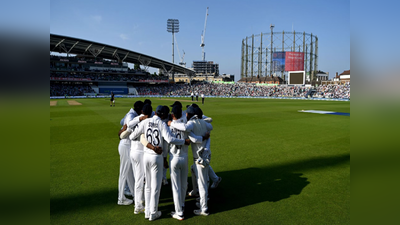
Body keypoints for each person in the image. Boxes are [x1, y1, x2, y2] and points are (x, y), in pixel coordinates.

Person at [129, 105, 190, 221]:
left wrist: (147, 143)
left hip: (146, 155)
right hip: (157, 157)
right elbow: (170, 140)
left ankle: (147, 211)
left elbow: (132, 136)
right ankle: (153, 212)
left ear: (155, 112)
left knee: (147, 185)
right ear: (163, 115)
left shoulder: (146, 122)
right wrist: (183, 141)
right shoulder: (162, 124)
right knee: (155, 187)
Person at [170, 106, 213, 216]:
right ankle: (198, 198)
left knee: (202, 183)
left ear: (190, 114)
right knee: (196, 174)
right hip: (206, 155)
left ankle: (204, 209)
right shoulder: (203, 123)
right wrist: (205, 136)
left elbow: (185, 129)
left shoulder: (192, 123)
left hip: (199, 158)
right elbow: (210, 126)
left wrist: (171, 123)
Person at [116, 104, 137, 205]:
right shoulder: (131, 116)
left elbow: (121, 122)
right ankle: (121, 198)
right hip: (125, 145)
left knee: (129, 173)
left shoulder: (130, 114)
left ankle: (134, 194)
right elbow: (126, 129)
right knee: (124, 173)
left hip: (127, 145)